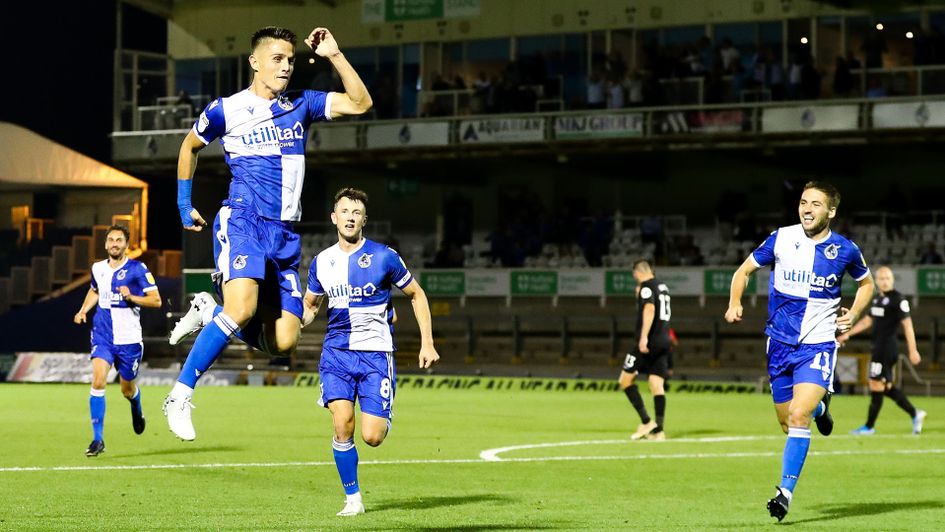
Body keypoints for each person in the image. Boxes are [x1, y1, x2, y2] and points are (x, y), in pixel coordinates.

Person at [163, 25, 372, 441]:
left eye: (291, 60)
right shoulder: (226, 109)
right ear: (254, 62)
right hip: (243, 221)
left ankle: (209, 311)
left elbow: (361, 103)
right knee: (241, 309)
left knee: (284, 341)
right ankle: (180, 394)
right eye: (277, 59)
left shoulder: (302, 104)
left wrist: (333, 54)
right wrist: (185, 206)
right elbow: (189, 147)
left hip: (284, 236)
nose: (286, 67)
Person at [725, 181, 874, 522]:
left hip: (818, 345)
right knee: (787, 422)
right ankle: (822, 407)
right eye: (804, 202)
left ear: (831, 211)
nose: (807, 209)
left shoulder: (846, 249)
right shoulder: (780, 238)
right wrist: (734, 302)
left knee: (797, 417)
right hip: (779, 344)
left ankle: (784, 493)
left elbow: (866, 284)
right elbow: (743, 271)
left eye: (816, 204)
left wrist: (853, 312)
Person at [302, 187, 440, 516]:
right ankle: (353, 499)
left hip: (375, 354)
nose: (350, 217)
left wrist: (427, 341)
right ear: (334, 218)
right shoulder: (322, 261)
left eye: (356, 213)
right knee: (342, 423)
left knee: (372, 436)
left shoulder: (384, 256)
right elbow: (310, 306)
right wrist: (295, 323)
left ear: (364, 220)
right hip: (336, 354)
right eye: (344, 211)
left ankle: (384, 410)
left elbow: (417, 295)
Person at [73, 225, 162, 456]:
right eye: (111, 240)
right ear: (105, 244)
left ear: (126, 244)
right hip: (103, 335)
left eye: (119, 240)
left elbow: (156, 301)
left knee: (126, 389)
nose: (114, 243)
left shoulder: (137, 269)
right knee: (98, 380)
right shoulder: (98, 268)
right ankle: (97, 440)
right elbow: (95, 290)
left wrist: (131, 296)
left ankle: (136, 404)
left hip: (129, 339)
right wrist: (83, 310)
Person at [837, 266, 927, 435]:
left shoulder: (898, 300)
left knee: (875, 383)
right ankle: (915, 413)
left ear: (892, 280)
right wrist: (847, 334)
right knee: (884, 386)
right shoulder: (878, 299)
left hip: (887, 349)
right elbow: (867, 321)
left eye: (887, 278)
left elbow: (907, 325)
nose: (884, 281)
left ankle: (869, 426)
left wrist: (913, 350)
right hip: (878, 347)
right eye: (881, 278)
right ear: (876, 281)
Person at [619, 260, 672, 441]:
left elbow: (649, 310)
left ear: (637, 272)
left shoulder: (646, 287)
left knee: (625, 380)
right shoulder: (662, 286)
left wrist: (643, 337)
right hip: (664, 340)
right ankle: (659, 431)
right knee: (656, 384)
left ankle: (646, 421)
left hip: (649, 341)